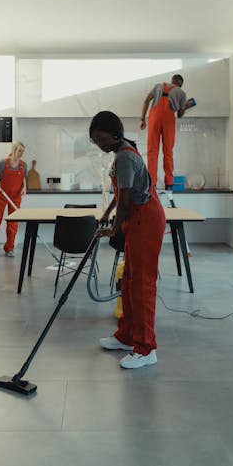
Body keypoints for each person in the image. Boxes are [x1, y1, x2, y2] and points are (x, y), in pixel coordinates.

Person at [89, 111, 166, 369]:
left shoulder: (124, 157)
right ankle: (126, 336)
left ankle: (146, 349)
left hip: (145, 219)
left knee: (142, 285)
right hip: (136, 218)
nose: (99, 145)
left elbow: (124, 201)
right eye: (95, 140)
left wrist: (112, 229)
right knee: (130, 281)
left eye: (101, 140)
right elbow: (122, 192)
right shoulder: (124, 149)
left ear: (114, 135)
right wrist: (107, 214)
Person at [140, 73, 190, 192]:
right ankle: (169, 184)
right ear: (180, 84)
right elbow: (180, 114)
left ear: (171, 81)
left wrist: (142, 119)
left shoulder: (158, 86)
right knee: (168, 152)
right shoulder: (182, 93)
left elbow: (146, 101)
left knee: (152, 151)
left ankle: (152, 183)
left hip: (154, 118)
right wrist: (185, 106)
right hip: (168, 120)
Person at [0, 140, 27, 257]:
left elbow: (24, 178)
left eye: (23, 151)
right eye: (19, 151)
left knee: (13, 223)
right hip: (2, 195)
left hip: (16, 196)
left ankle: (9, 248)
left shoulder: (23, 165)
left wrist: (24, 187)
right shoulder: (3, 163)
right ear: (14, 150)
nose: (21, 153)